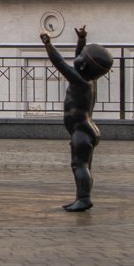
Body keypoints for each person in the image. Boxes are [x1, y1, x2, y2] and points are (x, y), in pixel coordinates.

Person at [39, 25, 113, 211]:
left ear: (84, 65)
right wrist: (81, 40)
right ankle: (82, 196)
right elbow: (79, 61)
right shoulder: (89, 79)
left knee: (78, 165)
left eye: (79, 57)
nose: (77, 58)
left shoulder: (79, 81)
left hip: (81, 131)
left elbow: (60, 64)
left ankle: (84, 198)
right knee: (84, 166)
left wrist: (48, 44)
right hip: (87, 129)